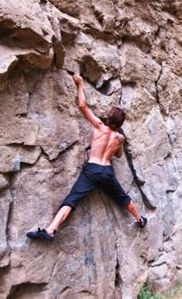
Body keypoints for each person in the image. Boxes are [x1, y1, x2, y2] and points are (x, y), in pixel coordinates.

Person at [27, 74, 147, 242]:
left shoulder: (99, 126)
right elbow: (118, 156)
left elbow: (82, 105)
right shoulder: (119, 138)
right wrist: (116, 144)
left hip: (92, 170)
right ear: (120, 124)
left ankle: (50, 230)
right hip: (107, 172)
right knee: (122, 197)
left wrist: (80, 84)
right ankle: (140, 219)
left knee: (71, 200)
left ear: (109, 117)